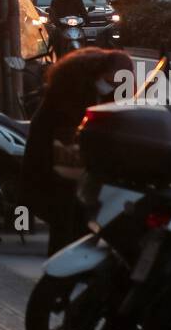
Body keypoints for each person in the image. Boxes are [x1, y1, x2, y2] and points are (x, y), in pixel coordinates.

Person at [21, 47, 134, 256]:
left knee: (79, 216)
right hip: (53, 159)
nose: (112, 86)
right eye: (111, 81)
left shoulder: (106, 88)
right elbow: (72, 130)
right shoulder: (71, 87)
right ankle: (59, 269)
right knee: (64, 216)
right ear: (100, 71)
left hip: (73, 163)